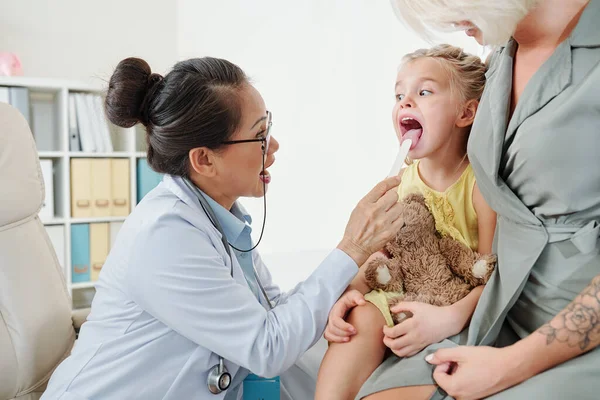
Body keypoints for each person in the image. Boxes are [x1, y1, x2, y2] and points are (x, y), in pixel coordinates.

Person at [41, 56, 406, 400]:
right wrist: (351, 248)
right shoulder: (164, 234)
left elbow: (272, 311)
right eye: (260, 135)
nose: (274, 146)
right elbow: (267, 348)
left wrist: (339, 292)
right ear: (204, 159)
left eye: (270, 127)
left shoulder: (219, 217)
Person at [353, 0, 600, 399]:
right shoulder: (500, 55)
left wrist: (511, 365)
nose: (450, 21)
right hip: (497, 306)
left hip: (574, 325)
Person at [315, 44, 496, 400]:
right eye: (399, 94)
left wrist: (451, 318)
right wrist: (349, 293)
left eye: (423, 92)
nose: (405, 103)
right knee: (360, 317)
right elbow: (379, 253)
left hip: (454, 302)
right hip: (402, 292)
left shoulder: (479, 186)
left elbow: (494, 276)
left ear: (466, 113)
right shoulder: (403, 181)